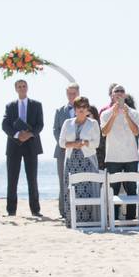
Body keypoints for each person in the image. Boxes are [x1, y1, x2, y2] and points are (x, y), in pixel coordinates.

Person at [2, 79, 44, 217]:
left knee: (32, 178)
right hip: (14, 145)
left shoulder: (37, 105)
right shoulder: (10, 106)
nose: (22, 88)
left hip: (31, 145)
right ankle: (11, 210)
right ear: (16, 89)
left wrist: (29, 134)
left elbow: (40, 124)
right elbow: (5, 124)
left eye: (24, 86)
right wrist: (16, 135)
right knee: (12, 178)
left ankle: (35, 210)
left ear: (27, 87)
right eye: (19, 86)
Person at [58, 97, 102, 228]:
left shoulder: (93, 123)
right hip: (71, 161)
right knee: (72, 190)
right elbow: (61, 142)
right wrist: (73, 144)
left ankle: (90, 221)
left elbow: (96, 143)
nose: (81, 110)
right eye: (78, 107)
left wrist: (85, 143)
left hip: (88, 160)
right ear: (75, 109)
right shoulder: (67, 123)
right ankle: (72, 220)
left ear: (87, 109)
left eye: (84, 107)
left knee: (88, 188)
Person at [100, 85, 139, 220]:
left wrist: (127, 115)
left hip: (131, 156)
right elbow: (104, 132)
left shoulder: (133, 112)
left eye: (121, 91)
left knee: (131, 189)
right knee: (113, 190)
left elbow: (135, 131)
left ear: (125, 95)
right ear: (112, 95)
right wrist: (114, 115)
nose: (119, 93)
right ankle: (114, 218)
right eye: (116, 91)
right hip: (113, 157)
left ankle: (131, 218)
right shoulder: (105, 113)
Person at [53, 83, 80, 219]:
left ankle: (78, 208)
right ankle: (63, 211)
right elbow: (56, 130)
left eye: (74, 93)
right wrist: (65, 144)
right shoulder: (60, 111)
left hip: (80, 151)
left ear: (78, 93)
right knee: (62, 181)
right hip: (62, 151)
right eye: (69, 93)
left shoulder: (83, 110)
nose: (71, 96)